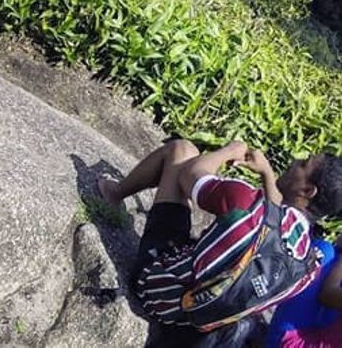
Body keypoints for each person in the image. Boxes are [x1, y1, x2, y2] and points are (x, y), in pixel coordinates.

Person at [97, 138, 342, 342]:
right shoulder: (309, 264)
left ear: (308, 191)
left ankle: (114, 193)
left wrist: (228, 151)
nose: (295, 161)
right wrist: (267, 172)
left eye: (303, 164)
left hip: (159, 290)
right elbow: (279, 219)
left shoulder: (249, 203)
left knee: (182, 151)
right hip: (196, 322)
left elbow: (189, 174)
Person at [268, 237, 342, 347]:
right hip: (327, 328)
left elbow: (327, 295)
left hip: (296, 342)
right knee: (331, 257)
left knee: (323, 252)